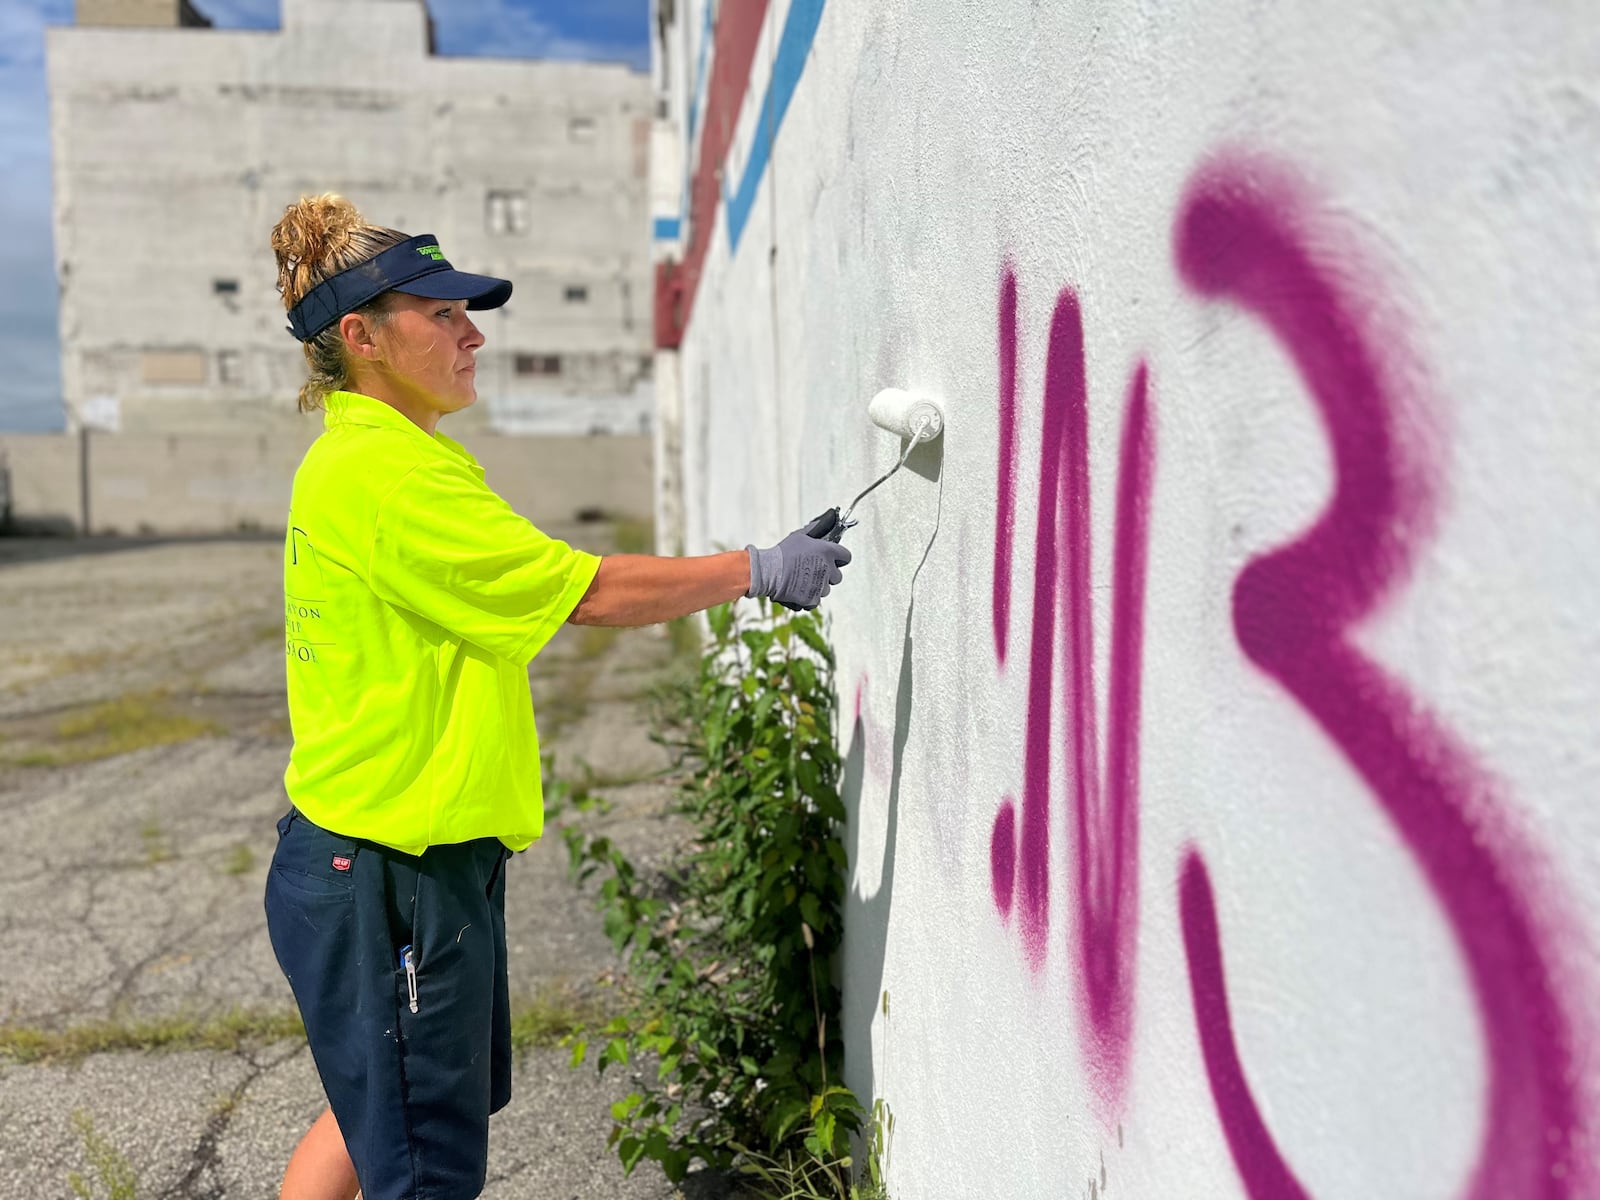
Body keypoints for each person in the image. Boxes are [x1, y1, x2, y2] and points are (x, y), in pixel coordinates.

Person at [263, 193, 852, 1200]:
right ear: (359, 337)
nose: (472, 334)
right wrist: (756, 569)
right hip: (395, 872)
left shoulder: (378, 456)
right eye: (441, 315)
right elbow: (583, 593)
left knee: (386, 1114)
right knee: (422, 1161)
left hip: (379, 854)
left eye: (466, 313)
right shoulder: (390, 476)